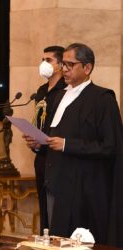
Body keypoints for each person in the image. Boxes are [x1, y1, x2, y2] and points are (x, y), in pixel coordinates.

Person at [37, 43, 122, 245]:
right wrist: (39, 142)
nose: (64, 69)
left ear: (87, 68)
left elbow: (110, 147)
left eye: (70, 64)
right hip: (54, 181)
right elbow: (54, 136)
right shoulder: (58, 96)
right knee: (55, 240)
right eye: (63, 64)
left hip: (83, 190)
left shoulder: (102, 99)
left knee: (76, 243)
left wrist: (68, 145)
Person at [23, 46, 66, 233]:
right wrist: (33, 140)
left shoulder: (66, 89)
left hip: (58, 157)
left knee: (58, 207)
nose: (44, 64)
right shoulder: (41, 91)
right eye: (43, 59)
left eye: (48, 60)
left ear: (60, 65)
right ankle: (45, 238)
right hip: (41, 157)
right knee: (44, 205)